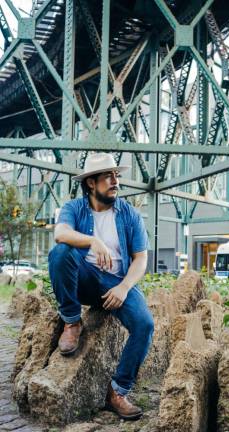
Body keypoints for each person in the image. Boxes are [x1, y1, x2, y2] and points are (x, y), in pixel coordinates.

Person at [48, 153, 154, 421]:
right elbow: (60, 234)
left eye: (116, 175)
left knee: (144, 325)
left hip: (117, 282)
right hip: (84, 277)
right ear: (91, 183)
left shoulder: (129, 213)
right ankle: (72, 322)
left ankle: (117, 391)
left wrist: (124, 287)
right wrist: (93, 241)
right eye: (108, 176)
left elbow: (141, 259)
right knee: (61, 253)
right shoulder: (75, 207)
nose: (115, 181)